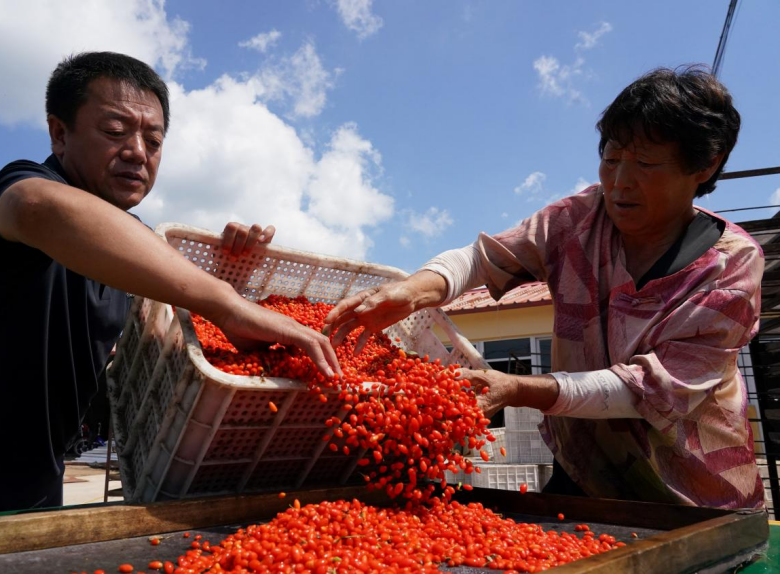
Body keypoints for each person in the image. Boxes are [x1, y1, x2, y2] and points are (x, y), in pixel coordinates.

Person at [0, 52, 340, 520]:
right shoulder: (26, 186)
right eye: (115, 131)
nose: (138, 151)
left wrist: (230, 273)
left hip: (33, 484)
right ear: (60, 133)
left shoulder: (131, 241)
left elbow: (175, 333)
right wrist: (223, 301)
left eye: (154, 140)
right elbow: (36, 207)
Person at [324, 66, 763, 509]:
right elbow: (481, 258)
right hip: (583, 470)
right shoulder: (579, 219)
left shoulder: (730, 266)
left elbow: (651, 388)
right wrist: (414, 290)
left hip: (692, 492)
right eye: (611, 160)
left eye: (646, 164)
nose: (619, 183)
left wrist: (518, 389)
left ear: (704, 166)